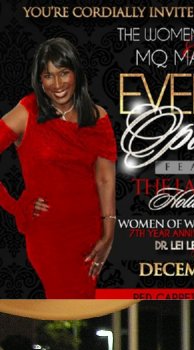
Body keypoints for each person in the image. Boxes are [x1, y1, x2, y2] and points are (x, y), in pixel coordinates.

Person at [0, 37, 116, 298]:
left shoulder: (98, 117)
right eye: (48, 75)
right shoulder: (27, 112)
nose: (57, 84)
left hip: (89, 234)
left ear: (76, 73)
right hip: (49, 236)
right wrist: (17, 206)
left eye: (63, 73)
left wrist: (108, 235)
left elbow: (105, 179)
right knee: (65, 303)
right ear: (40, 80)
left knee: (82, 306)